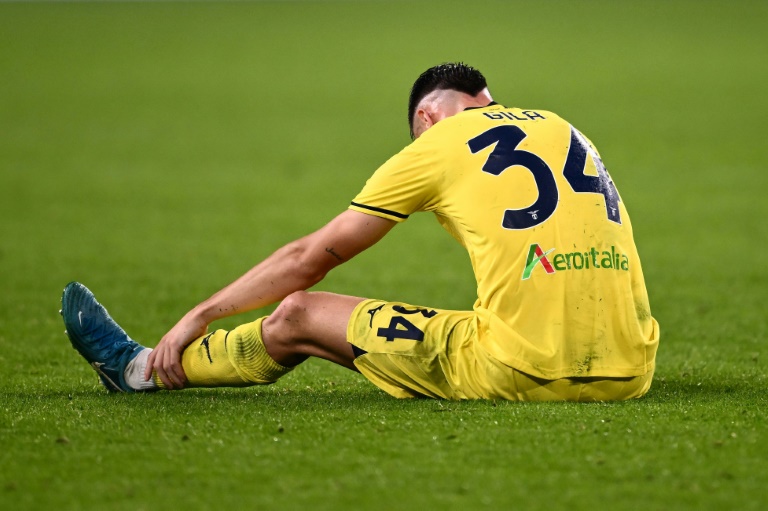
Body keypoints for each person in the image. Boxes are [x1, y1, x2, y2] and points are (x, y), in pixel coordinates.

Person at [61, 62, 659, 401]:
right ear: (485, 99)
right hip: (633, 369)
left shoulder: (440, 142)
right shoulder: (560, 124)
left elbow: (307, 259)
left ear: (425, 118)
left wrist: (203, 311)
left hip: (524, 370)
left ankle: (138, 370)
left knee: (296, 313)